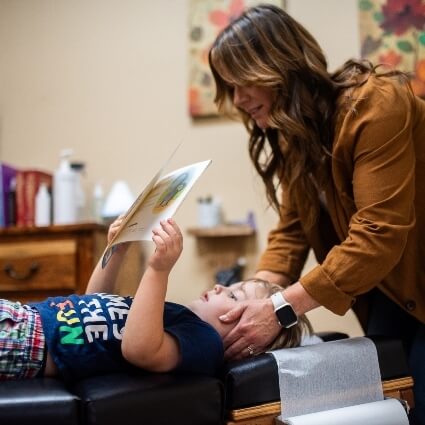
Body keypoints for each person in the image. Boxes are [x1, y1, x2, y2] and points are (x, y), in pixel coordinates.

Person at [208, 4, 425, 424]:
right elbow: (291, 234)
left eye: (241, 81)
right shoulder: (296, 138)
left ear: (276, 64)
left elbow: (378, 234)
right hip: (390, 289)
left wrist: (279, 309)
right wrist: (250, 298)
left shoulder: (375, 105)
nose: (237, 99)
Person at [0, 216, 312, 382]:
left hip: (29, 342)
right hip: (23, 316)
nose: (219, 287)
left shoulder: (204, 343)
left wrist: (159, 269)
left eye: (233, 295)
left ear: (248, 334)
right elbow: (94, 300)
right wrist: (117, 249)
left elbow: (139, 350)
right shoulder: (174, 319)